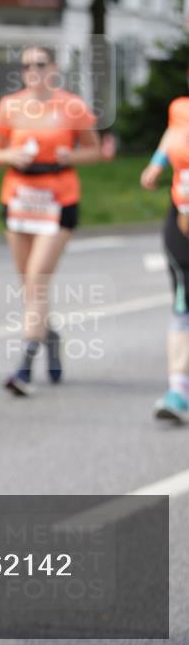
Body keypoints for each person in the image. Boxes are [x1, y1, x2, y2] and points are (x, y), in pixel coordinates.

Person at [0, 46, 113, 396]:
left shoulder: (71, 105)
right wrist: (9, 154)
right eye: (26, 65)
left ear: (54, 68)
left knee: (37, 281)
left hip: (58, 201)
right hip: (20, 200)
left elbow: (95, 150)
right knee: (29, 286)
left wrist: (70, 155)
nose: (33, 71)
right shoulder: (9, 106)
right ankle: (50, 337)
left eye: (40, 64)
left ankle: (23, 367)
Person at [140, 81, 189, 423]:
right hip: (181, 218)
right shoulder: (180, 107)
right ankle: (178, 390)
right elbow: (172, 134)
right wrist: (156, 164)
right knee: (182, 300)